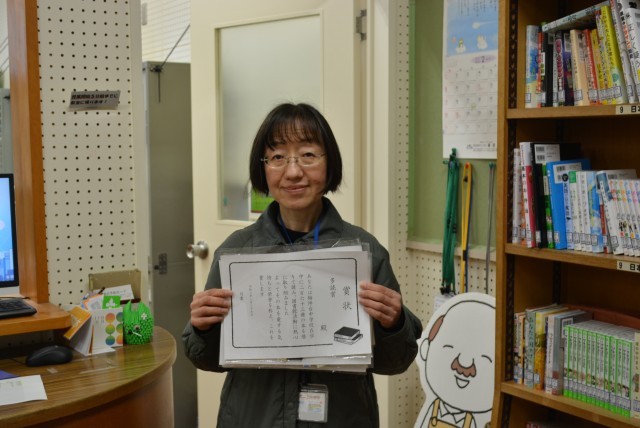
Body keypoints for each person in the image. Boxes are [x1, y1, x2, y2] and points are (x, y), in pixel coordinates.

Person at [182, 102, 423, 427]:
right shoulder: (237, 253)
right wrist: (202, 328)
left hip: (340, 418)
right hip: (254, 418)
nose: (293, 171)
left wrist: (394, 324)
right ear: (263, 168)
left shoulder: (365, 253)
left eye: (308, 155)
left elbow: (394, 362)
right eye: (278, 157)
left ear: (329, 163)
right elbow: (208, 360)